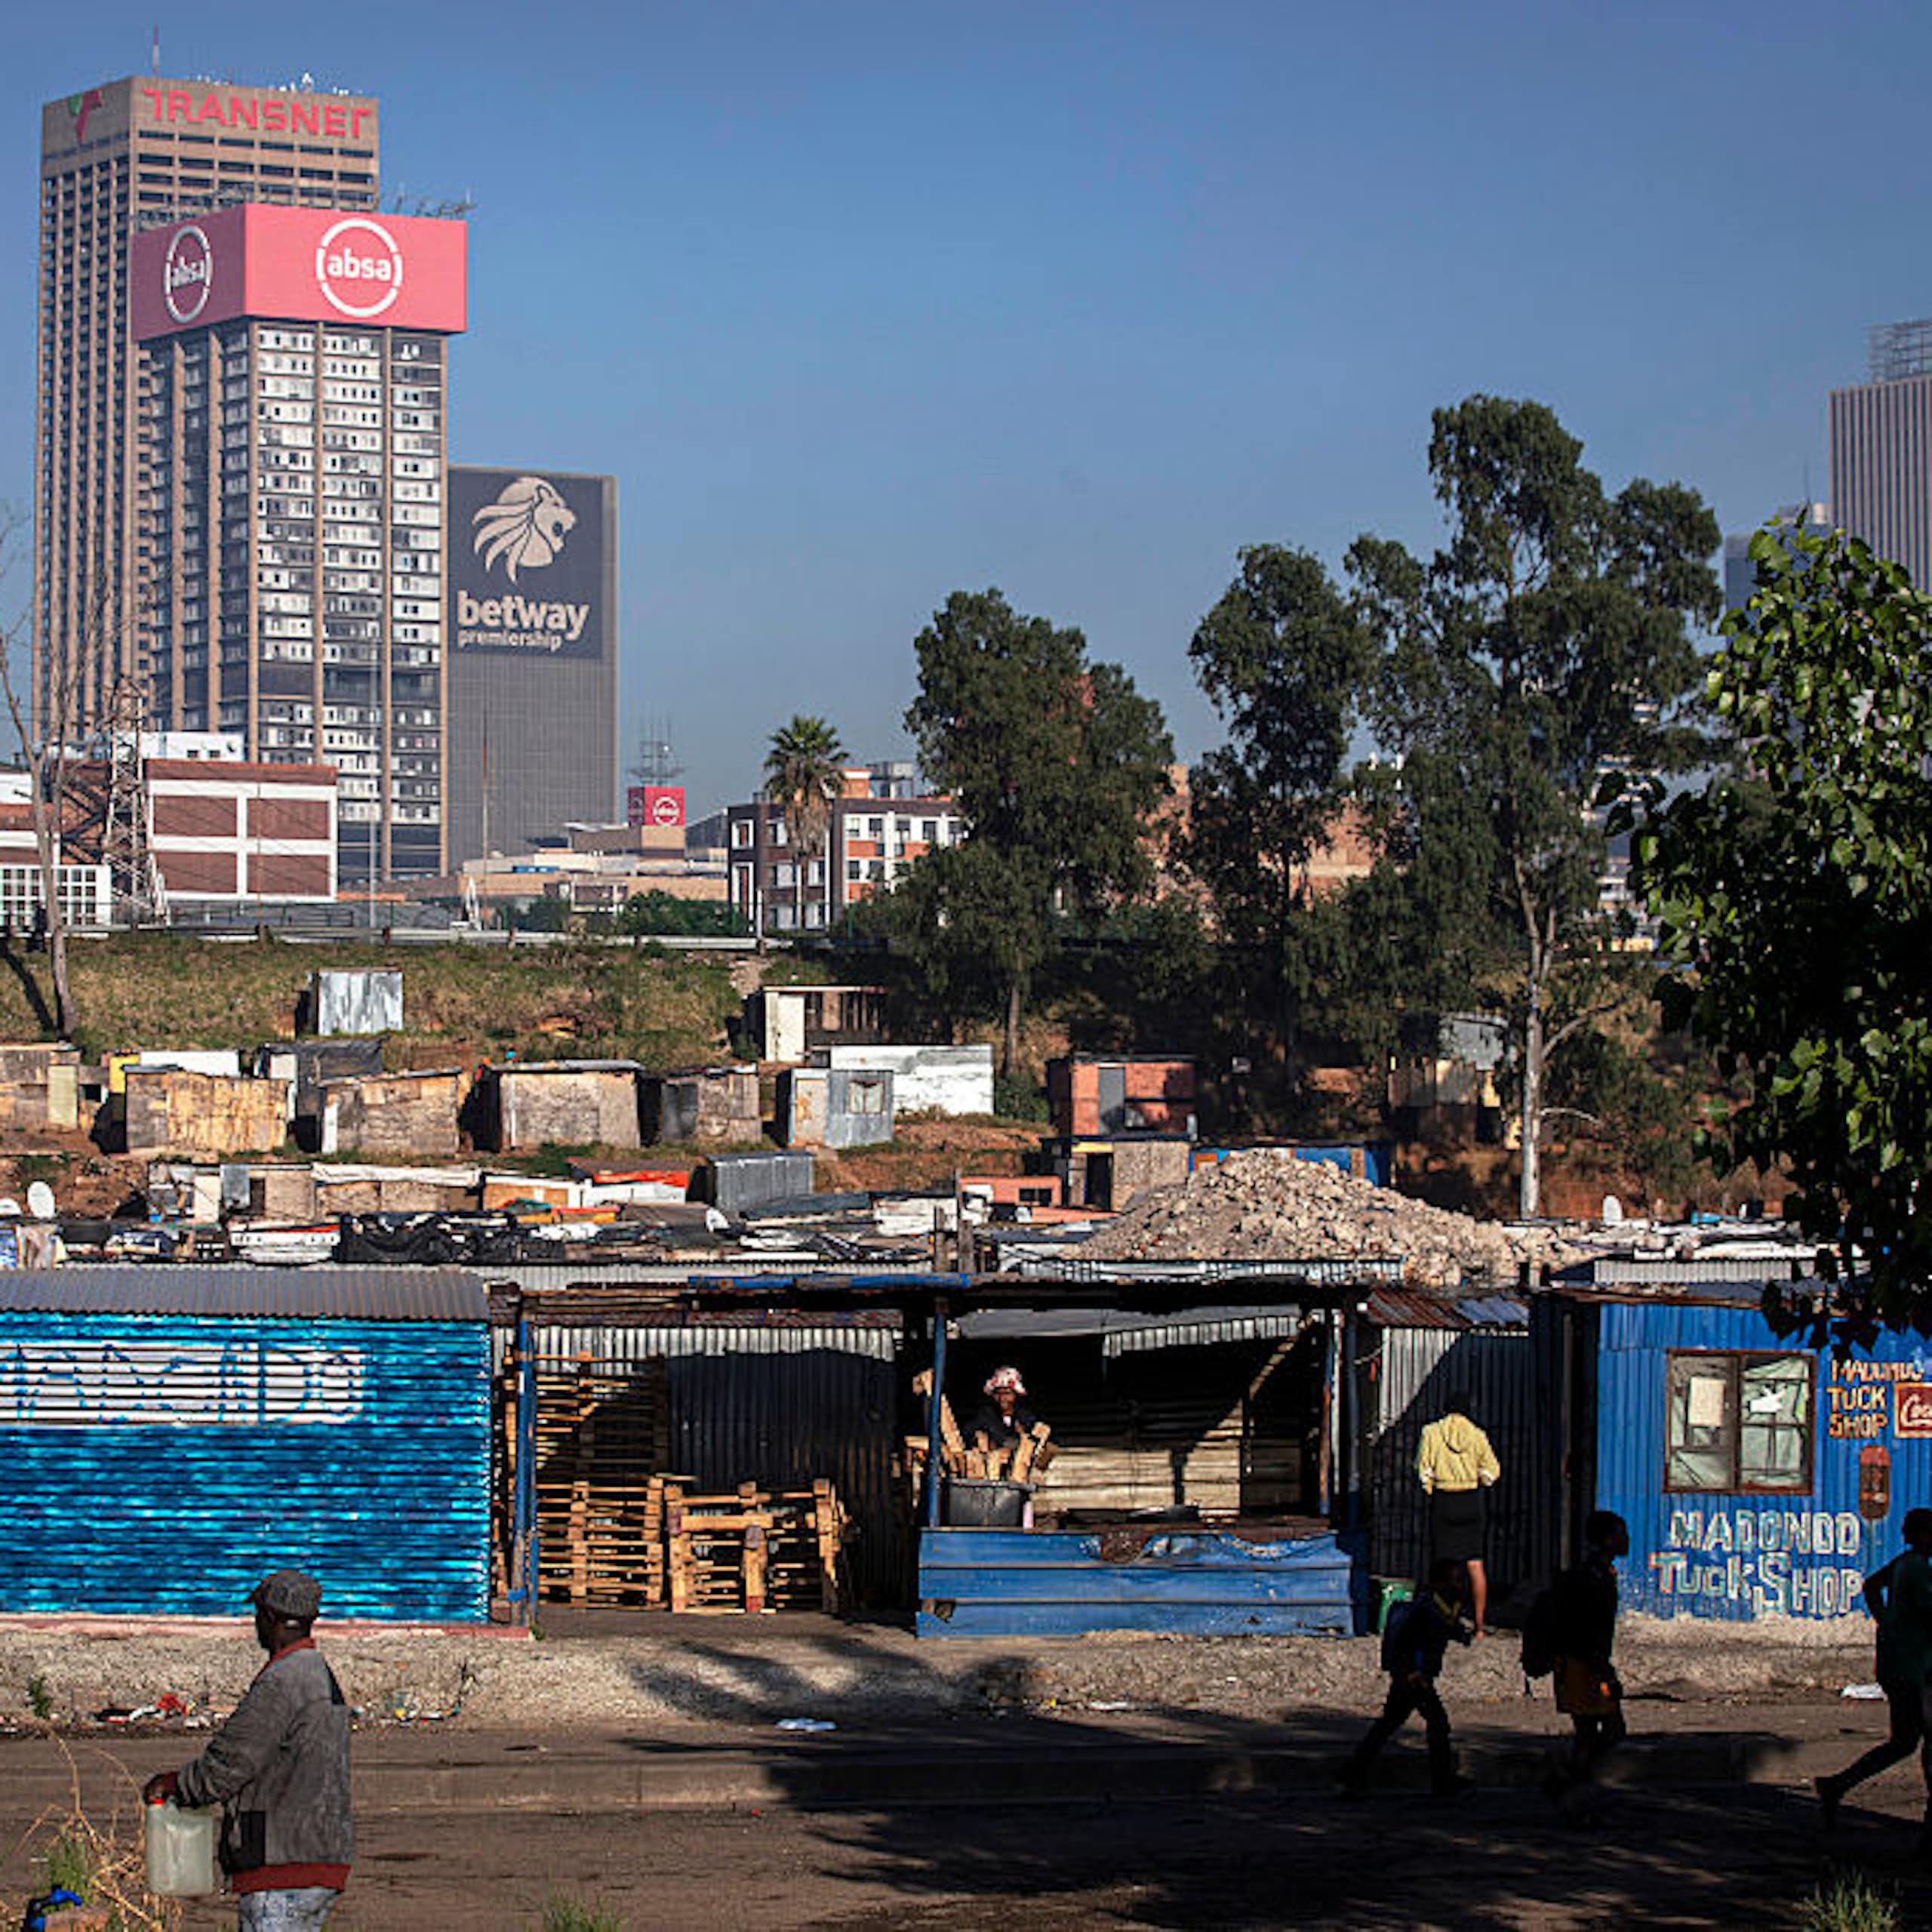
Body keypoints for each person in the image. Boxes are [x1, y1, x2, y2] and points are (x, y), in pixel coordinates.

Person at [144, 1570, 353, 1930]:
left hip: (282, 1867)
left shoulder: (282, 1682)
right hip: (318, 1858)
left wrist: (177, 1784)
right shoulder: (318, 1674)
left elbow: (230, 1764)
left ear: (269, 1617)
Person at [1815, 1506, 1932, 1841]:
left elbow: (1870, 1586)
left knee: (1905, 1742)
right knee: (1921, 1738)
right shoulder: (1918, 1569)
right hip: (1915, 1669)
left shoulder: (1902, 1564)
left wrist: (1886, 1623)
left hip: (1898, 1666)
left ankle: (1838, 1784)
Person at [1342, 1556, 1474, 1798]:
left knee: (1390, 1724)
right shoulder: (1426, 1609)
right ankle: (1442, 1782)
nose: (1460, 1585)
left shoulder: (1442, 1607)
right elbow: (1407, 1642)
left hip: (1417, 1676)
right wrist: (1411, 1672)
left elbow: (1446, 1630)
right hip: (1413, 1678)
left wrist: (1461, 1635)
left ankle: (1354, 1772)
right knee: (1437, 1724)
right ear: (1440, 1583)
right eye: (1455, 1580)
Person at [1547, 1509, 1630, 1809]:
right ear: (1607, 1540)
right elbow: (1588, 1629)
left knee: (1596, 1732)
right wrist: (1604, 1670)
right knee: (1599, 1731)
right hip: (1583, 1666)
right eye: (1621, 1534)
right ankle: (1572, 1791)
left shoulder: (1600, 1573)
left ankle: (1569, 1785)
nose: (1626, 1540)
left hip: (1585, 1662)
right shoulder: (1594, 1578)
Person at [1416, 1389, 1502, 1637]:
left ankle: (1443, 1621)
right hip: (1471, 1501)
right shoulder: (1477, 1435)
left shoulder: (1431, 1432)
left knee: (1443, 1566)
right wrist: (1477, 1479)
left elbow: (1423, 1471)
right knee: (1475, 1564)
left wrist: (1431, 1488)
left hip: (1444, 1500)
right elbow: (1492, 1472)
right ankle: (1479, 1626)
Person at [966, 1366, 1039, 1451]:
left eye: (1007, 1394)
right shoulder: (984, 1416)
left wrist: (1022, 1434)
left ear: (1015, 1395)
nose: (1002, 1398)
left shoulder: (1026, 1417)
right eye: (998, 1394)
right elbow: (969, 1433)